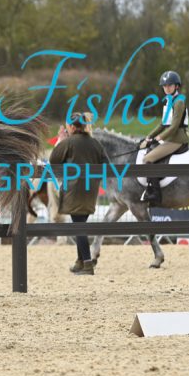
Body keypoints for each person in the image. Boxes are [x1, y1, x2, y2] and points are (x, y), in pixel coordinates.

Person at [47, 112, 107, 275]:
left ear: (73, 127)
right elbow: (105, 163)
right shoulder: (95, 143)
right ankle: (80, 261)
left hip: (74, 190)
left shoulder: (69, 142)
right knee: (81, 224)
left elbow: (53, 161)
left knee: (78, 227)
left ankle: (87, 264)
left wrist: (61, 141)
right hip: (91, 189)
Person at [139, 70, 189, 205]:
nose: (166, 88)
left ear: (176, 86)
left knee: (147, 159)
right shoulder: (168, 101)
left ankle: (155, 193)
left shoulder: (179, 102)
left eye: (169, 85)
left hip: (177, 139)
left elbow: (174, 127)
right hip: (170, 138)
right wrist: (148, 137)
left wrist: (157, 138)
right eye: (164, 86)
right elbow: (163, 124)